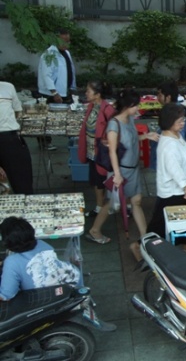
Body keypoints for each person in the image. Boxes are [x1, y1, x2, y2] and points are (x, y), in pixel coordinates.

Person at [87, 89, 158, 246]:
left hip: (132, 168)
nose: (138, 109)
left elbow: (131, 141)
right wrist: (117, 175)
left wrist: (146, 136)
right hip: (121, 170)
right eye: (136, 106)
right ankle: (94, 230)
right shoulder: (114, 124)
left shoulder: (130, 119)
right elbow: (112, 151)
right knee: (112, 204)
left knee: (136, 201)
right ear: (128, 105)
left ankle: (145, 237)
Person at [145, 103, 186, 256]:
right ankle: (143, 246)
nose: (183, 123)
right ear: (169, 121)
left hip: (181, 188)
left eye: (183, 120)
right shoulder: (168, 145)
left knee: (184, 217)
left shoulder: (175, 135)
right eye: (180, 121)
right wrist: (185, 186)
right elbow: (174, 168)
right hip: (174, 191)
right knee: (160, 223)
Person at [0, 217, 80, 301]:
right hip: (72, 285)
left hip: (44, 300)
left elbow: (7, 294)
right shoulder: (42, 244)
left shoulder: (12, 262)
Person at [78, 80, 115, 216]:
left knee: (101, 180)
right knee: (95, 179)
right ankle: (100, 206)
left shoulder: (107, 109)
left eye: (89, 91)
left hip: (101, 152)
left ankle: (102, 207)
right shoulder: (92, 106)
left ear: (98, 94)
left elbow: (114, 129)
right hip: (92, 151)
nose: (86, 93)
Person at [37, 28, 77, 151]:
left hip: (64, 90)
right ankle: (45, 143)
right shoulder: (49, 54)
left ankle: (72, 140)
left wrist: (73, 86)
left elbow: (70, 70)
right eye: (64, 41)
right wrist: (54, 92)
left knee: (68, 115)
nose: (67, 44)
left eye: (68, 41)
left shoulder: (66, 53)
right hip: (50, 93)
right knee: (47, 118)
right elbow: (46, 75)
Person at [0, 81, 33, 194]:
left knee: (22, 183)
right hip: (8, 138)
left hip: (9, 138)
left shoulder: (8, 87)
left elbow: (17, 111)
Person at [149, 81, 186, 171]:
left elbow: (178, 139)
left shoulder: (175, 114)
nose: (158, 98)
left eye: (160, 95)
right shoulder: (170, 110)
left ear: (168, 97)